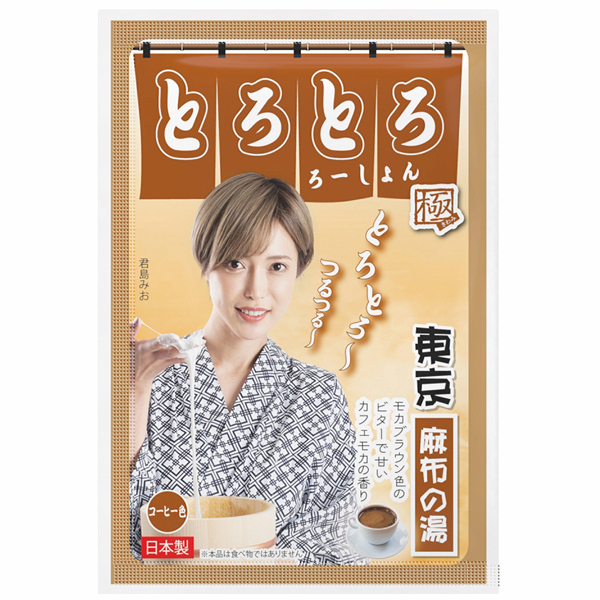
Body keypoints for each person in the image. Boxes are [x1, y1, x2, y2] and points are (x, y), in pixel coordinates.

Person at [129, 172, 367, 565]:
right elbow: (111, 533)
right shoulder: (145, 376)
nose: (257, 290)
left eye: (277, 267)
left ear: (298, 270)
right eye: (236, 263)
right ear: (206, 262)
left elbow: (338, 549)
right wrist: (134, 391)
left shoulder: (317, 397)